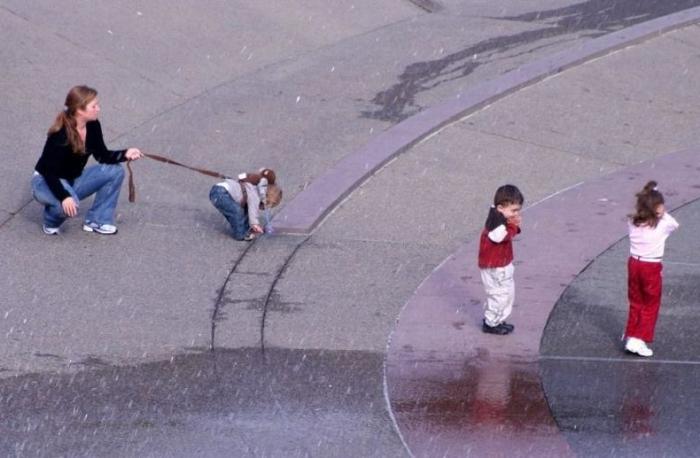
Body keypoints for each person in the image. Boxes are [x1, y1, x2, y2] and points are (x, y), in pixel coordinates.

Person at [31, 85, 142, 235]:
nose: (98, 108)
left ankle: (97, 220)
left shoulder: (93, 125)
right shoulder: (60, 134)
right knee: (68, 205)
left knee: (114, 171)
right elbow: (50, 173)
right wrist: (65, 197)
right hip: (46, 180)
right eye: (94, 106)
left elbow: (102, 155)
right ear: (79, 110)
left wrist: (125, 154)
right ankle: (50, 220)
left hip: (72, 178)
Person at [624, 180, 679, 357]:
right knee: (650, 303)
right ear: (656, 208)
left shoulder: (633, 222)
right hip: (651, 266)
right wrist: (658, 205)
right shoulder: (662, 224)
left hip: (634, 263)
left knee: (636, 301)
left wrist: (651, 197)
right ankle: (638, 339)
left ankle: (631, 333)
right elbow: (674, 223)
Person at [478, 184, 524, 335]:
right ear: (500, 208)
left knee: (507, 293)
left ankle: (498, 320)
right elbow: (499, 237)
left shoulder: (500, 216)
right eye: (513, 210)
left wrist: (512, 224)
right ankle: (491, 323)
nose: (516, 213)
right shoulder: (496, 222)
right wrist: (513, 226)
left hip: (501, 263)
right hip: (495, 266)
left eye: (518, 209)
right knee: (499, 294)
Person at [209, 168, 282, 241]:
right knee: (237, 212)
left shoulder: (253, 189)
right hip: (220, 193)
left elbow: (249, 211)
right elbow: (253, 212)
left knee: (242, 211)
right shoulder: (255, 196)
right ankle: (241, 234)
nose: (262, 209)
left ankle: (245, 229)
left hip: (220, 191)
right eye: (264, 207)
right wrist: (255, 224)